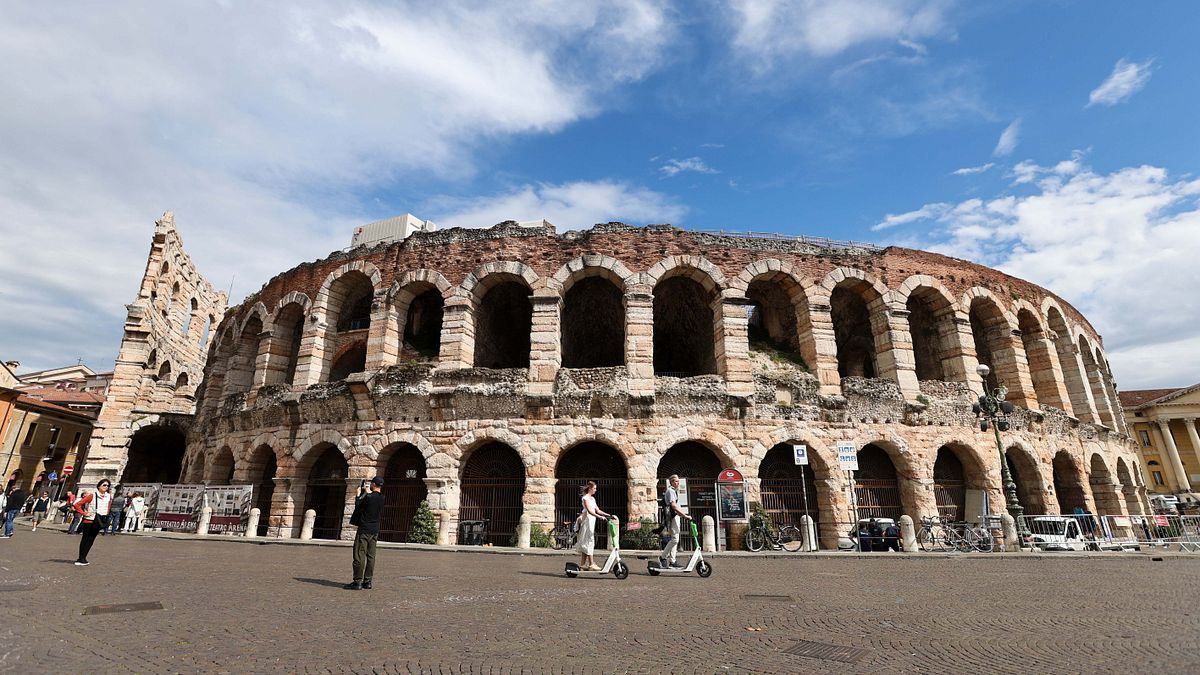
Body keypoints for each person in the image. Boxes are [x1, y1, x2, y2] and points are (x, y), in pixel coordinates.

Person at [345, 476, 385, 590]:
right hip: (375, 530)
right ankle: (368, 581)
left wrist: (358, 494)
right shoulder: (382, 498)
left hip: (364, 530)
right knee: (371, 556)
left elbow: (358, 505)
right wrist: (367, 493)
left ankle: (357, 581)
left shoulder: (369, 497)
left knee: (359, 554)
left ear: (373, 484)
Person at [574, 481, 615, 571]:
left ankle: (582, 565)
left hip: (592, 520)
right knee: (589, 540)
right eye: (594, 488)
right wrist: (600, 517)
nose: (596, 490)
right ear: (590, 488)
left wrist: (609, 515)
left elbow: (598, 510)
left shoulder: (592, 499)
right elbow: (590, 511)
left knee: (587, 541)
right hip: (587, 520)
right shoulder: (585, 498)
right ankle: (591, 563)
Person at [72, 479, 113, 565]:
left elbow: (108, 507)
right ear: (99, 486)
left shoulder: (109, 496)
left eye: (108, 485)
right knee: (85, 539)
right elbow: (77, 504)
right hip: (89, 520)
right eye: (104, 485)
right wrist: (84, 513)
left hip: (99, 520)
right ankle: (80, 558)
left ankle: (83, 558)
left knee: (91, 540)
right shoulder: (92, 496)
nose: (106, 487)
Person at [660, 474, 689, 569]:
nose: (678, 483)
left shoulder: (674, 491)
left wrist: (682, 514)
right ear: (672, 482)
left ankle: (672, 560)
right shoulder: (671, 491)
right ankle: (663, 557)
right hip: (672, 518)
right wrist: (684, 515)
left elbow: (676, 506)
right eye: (676, 481)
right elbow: (673, 506)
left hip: (675, 517)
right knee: (675, 539)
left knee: (675, 539)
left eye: (678, 481)